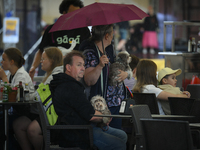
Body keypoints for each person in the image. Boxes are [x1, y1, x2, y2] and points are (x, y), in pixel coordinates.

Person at [50, 50, 127, 150]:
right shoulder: (70, 87)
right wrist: (105, 117)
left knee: (122, 135)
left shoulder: (69, 84)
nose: (83, 68)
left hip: (82, 127)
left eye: (83, 65)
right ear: (68, 67)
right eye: (79, 65)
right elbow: (90, 115)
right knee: (119, 144)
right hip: (78, 133)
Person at [80, 24, 130, 129]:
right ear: (106, 36)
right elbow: (89, 80)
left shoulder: (108, 51)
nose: (113, 36)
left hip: (116, 103)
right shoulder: (90, 53)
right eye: (112, 34)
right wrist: (99, 66)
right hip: (103, 107)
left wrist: (126, 74)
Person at [13, 47, 63, 150]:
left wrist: (27, 96)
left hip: (53, 116)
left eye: (43, 59)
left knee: (32, 130)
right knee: (18, 124)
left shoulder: (56, 74)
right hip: (41, 112)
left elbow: (39, 96)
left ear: (52, 60)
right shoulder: (49, 74)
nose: (41, 61)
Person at [29, 0, 91, 80]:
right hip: (54, 75)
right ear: (64, 13)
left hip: (76, 76)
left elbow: (88, 53)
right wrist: (33, 67)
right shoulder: (52, 30)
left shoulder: (84, 30)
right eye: (73, 13)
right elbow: (41, 50)